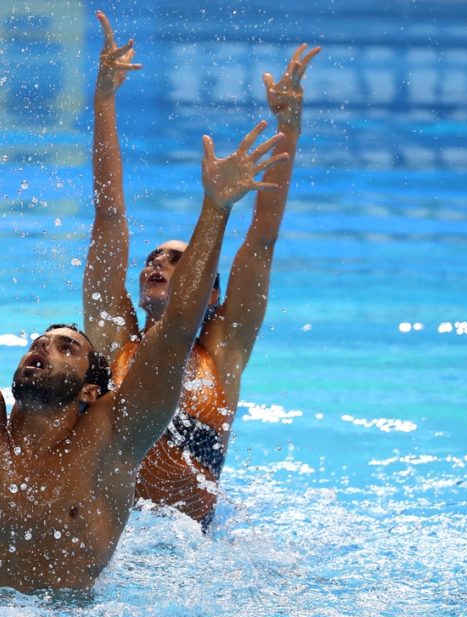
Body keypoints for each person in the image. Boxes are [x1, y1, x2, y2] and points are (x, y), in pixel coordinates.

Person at [0, 76, 286, 592]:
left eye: (67, 348)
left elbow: (173, 335)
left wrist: (215, 210)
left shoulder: (112, 440)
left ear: (90, 389)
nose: (43, 346)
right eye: (41, 340)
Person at [83, 11, 320, 529]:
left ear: (210, 296)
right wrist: (104, 99)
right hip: (110, 544)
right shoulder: (114, 341)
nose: (157, 264)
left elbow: (261, 242)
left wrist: (288, 130)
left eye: (178, 260)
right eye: (152, 259)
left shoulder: (223, 354)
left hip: (193, 553)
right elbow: (108, 217)